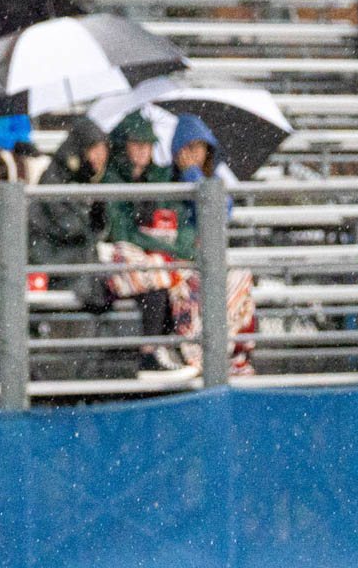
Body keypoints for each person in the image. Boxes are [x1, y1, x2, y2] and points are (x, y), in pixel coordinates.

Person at [100, 111, 195, 378]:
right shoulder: (111, 179)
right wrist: (164, 248)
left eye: (148, 145)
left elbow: (181, 218)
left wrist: (175, 245)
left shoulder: (161, 177)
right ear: (124, 145)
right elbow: (121, 231)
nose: (144, 151)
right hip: (124, 262)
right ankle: (150, 352)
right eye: (137, 144)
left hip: (156, 265)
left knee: (178, 283)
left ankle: (179, 351)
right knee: (158, 277)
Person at [167, 114, 256, 375]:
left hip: (208, 263)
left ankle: (226, 353)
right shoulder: (167, 180)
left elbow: (218, 216)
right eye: (189, 148)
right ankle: (197, 356)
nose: (194, 154)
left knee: (239, 278)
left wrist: (193, 176)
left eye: (200, 148)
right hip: (182, 262)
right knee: (187, 286)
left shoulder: (212, 182)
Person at [27, 117, 109, 312]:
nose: (100, 157)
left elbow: (98, 230)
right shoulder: (55, 177)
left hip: (68, 256)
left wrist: (98, 214)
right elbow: (67, 226)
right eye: (95, 150)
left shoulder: (87, 179)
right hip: (49, 253)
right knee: (88, 263)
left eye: (103, 150)